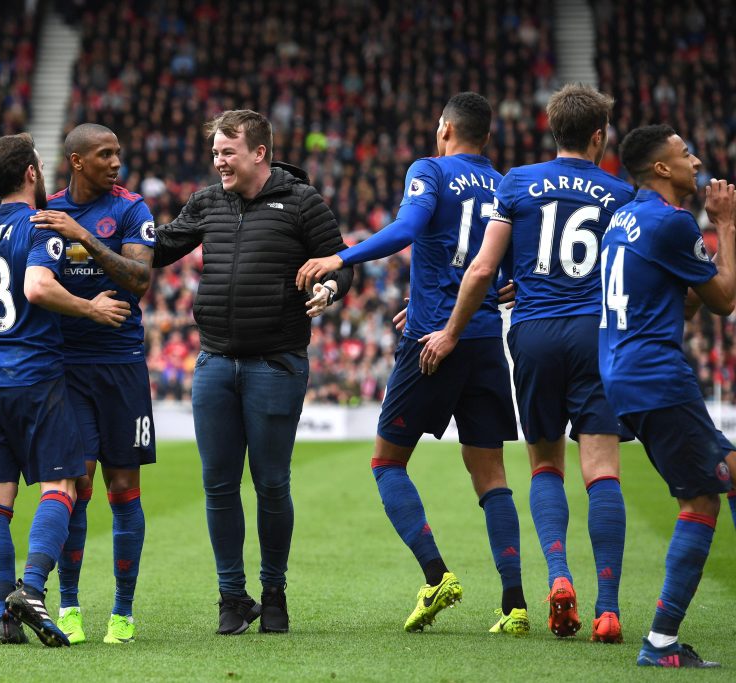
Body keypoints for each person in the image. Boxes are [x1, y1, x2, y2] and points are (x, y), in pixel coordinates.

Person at [298, 93, 525, 635]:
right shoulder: (507, 185)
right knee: (491, 476)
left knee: (386, 463)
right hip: (486, 339)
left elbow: (406, 231)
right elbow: (511, 272)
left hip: (432, 343)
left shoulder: (430, 170)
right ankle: (514, 604)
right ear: (487, 138)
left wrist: (341, 256)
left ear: (444, 127)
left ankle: (436, 575)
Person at [419, 84, 635, 643]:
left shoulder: (517, 182)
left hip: (534, 334)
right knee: (602, 470)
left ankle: (559, 578)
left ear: (551, 129)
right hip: (595, 333)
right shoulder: (619, 192)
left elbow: (482, 270)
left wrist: (452, 329)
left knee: (544, 464)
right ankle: (607, 608)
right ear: (598, 135)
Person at [151, 109, 353, 635]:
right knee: (217, 486)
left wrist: (329, 287)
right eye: (215, 151)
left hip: (276, 364)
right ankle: (231, 598)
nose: (218, 160)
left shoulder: (302, 201)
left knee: (270, 484)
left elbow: (342, 261)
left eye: (227, 151)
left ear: (258, 153)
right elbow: (159, 248)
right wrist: (95, 226)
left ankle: (274, 592)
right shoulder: (207, 201)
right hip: (214, 361)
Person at [0, 123, 155, 646]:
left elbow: (140, 281)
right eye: (105, 154)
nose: (117, 162)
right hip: (61, 367)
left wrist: (87, 239)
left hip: (119, 363)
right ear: (74, 161)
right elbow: (33, 284)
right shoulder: (43, 217)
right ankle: (64, 603)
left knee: (123, 489)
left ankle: (122, 611)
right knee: (75, 486)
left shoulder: (132, 209)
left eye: (118, 152)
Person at [600, 125, 736, 667]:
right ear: (661, 168)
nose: (696, 160)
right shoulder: (675, 222)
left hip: (625, 373)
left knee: (730, 468)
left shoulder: (627, 218)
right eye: (685, 154)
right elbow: (724, 300)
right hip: (656, 373)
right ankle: (660, 643)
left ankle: (661, 641)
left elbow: (680, 303)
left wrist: (694, 278)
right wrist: (724, 223)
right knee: (701, 500)